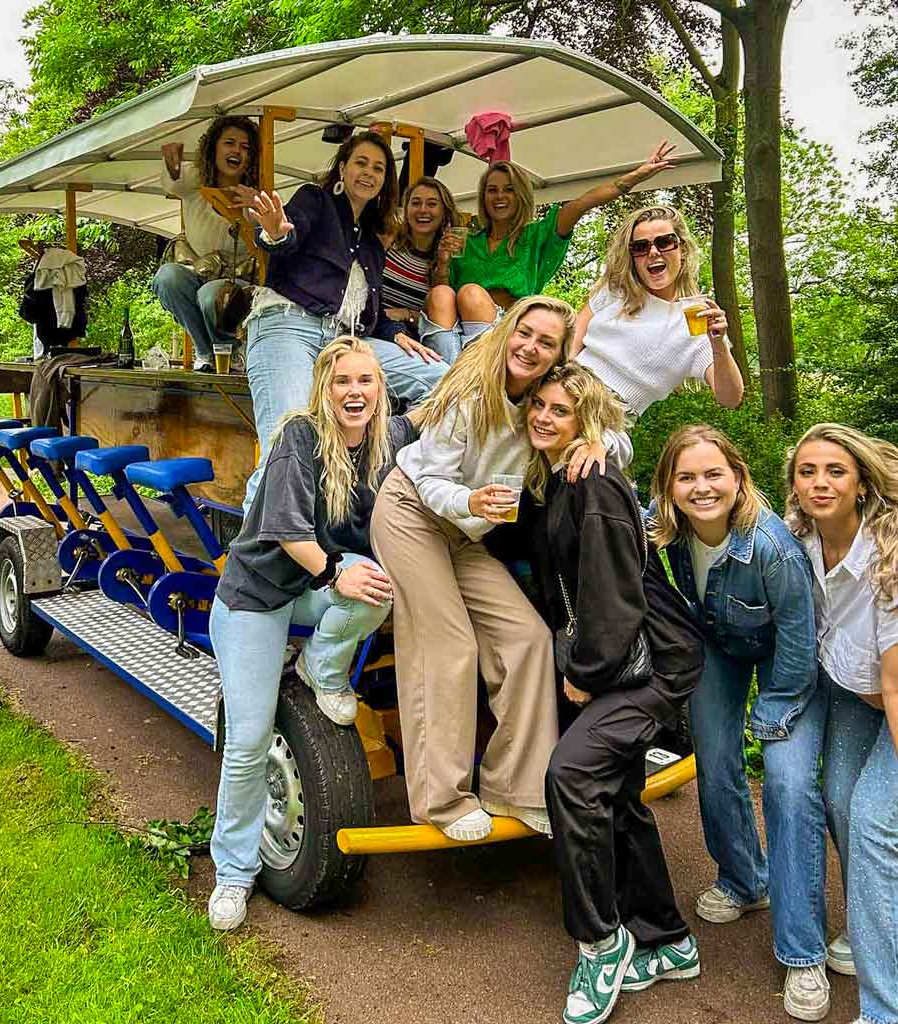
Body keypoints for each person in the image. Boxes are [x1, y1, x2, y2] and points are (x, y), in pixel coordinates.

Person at [370, 297, 625, 844]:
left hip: (466, 534)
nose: (530, 347)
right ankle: (441, 799)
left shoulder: (544, 402)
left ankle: (517, 788)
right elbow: (430, 479)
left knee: (529, 638)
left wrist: (598, 438)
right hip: (413, 513)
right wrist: (470, 503)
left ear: (558, 355)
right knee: (450, 644)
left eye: (546, 342)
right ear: (508, 331)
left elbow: (616, 431)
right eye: (524, 333)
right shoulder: (469, 392)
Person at [510, 364, 704, 1024]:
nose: (543, 416)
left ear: (584, 422)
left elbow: (616, 597)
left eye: (560, 410)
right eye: (537, 404)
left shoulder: (595, 481)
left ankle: (601, 941)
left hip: (648, 665)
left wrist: (585, 674)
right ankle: (668, 940)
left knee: (571, 777)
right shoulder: (555, 480)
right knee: (617, 796)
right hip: (618, 659)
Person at [207, 337, 417, 932]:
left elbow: (448, 408)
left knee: (383, 583)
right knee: (248, 739)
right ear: (323, 389)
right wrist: (335, 572)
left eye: (365, 382)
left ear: (380, 390)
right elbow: (288, 532)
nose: (355, 392)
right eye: (341, 381)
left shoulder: (388, 439)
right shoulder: (300, 439)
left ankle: (321, 668)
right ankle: (233, 872)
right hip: (256, 596)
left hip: (314, 587)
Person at [649, 425, 829, 1022]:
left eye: (713, 474)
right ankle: (743, 880)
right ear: (670, 486)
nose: (701, 488)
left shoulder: (771, 546)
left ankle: (804, 954)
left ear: (738, 477)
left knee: (785, 782)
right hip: (720, 644)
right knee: (715, 761)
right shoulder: (669, 528)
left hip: (786, 661)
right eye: (686, 477)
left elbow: (801, 640)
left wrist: (772, 711)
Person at [242, 131, 448, 509]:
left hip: (346, 341)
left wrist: (397, 334)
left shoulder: (371, 243)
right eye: (361, 163)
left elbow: (372, 309)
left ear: (386, 182)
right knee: (287, 441)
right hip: (289, 326)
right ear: (342, 168)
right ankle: (256, 558)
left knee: (444, 381)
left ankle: (384, 476)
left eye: (379, 168)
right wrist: (273, 232)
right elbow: (287, 231)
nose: (368, 172)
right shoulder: (314, 201)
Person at [785, 423, 898, 1024]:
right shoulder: (799, 541)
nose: (820, 482)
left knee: (877, 823)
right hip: (857, 695)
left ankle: (884, 1011)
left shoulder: (888, 554)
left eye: (835, 471)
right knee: (837, 799)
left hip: (893, 699)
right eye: (808, 471)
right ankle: (873, 922)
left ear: (860, 484)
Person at [421, 141, 677, 358]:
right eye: (492, 190)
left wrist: (635, 176)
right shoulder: (468, 242)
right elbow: (444, 296)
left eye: (509, 190)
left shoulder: (537, 236)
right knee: (442, 293)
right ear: (484, 197)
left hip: (509, 332)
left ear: (520, 194)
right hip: (459, 338)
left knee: (471, 293)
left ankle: (471, 374)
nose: (500, 197)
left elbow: (582, 204)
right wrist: (443, 263)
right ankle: (449, 378)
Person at [569, 204, 744, 423]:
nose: (653, 252)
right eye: (641, 247)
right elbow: (570, 341)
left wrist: (718, 345)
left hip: (609, 415)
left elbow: (730, 398)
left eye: (664, 242)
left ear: (683, 250)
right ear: (631, 256)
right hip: (567, 385)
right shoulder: (615, 290)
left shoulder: (697, 320)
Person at [151, 116, 260, 371]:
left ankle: (231, 353)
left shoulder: (254, 196)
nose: (236, 151)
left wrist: (257, 207)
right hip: (197, 273)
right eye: (229, 143)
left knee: (210, 295)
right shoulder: (197, 183)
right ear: (214, 149)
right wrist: (172, 161)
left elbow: (271, 238)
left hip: (237, 287)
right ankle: (205, 352)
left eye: (245, 147)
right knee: (167, 277)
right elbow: (174, 181)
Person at [380, 176, 463, 360]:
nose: (423, 210)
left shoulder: (452, 256)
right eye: (416, 203)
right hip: (375, 328)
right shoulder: (389, 239)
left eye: (432, 204)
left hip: (415, 342)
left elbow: (442, 320)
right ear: (406, 208)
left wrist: (406, 314)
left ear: (444, 212)